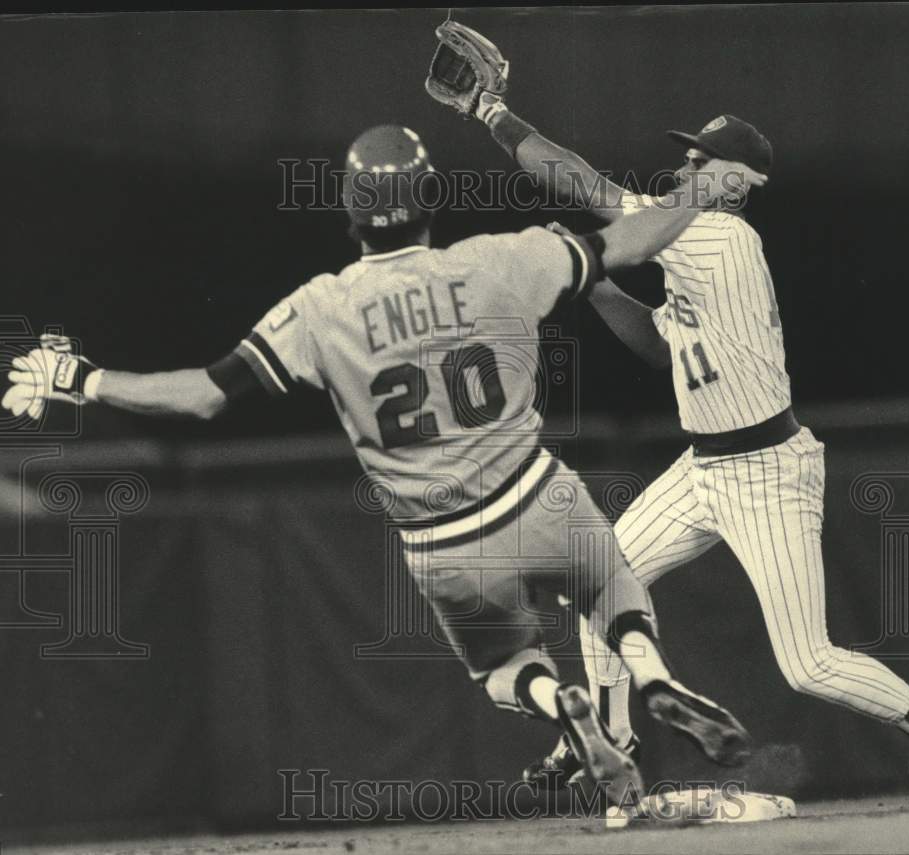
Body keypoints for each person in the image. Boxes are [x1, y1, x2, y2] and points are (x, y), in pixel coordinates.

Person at [3, 124, 765, 808]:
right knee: (612, 586)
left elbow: (203, 395)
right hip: (537, 494)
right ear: (431, 198)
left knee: (502, 665)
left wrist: (84, 378)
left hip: (444, 540)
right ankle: (651, 671)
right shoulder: (499, 258)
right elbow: (631, 243)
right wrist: (700, 188)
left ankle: (552, 699)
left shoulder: (321, 305)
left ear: (350, 211)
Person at [456, 60, 909, 810]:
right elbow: (662, 347)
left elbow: (578, 182)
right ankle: (615, 737)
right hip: (705, 464)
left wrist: (492, 112)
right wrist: (601, 288)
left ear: (742, 182)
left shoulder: (722, 239)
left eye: (705, 161)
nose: (687, 166)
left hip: (765, 469)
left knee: (806, 662)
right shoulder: (693, 245)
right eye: (687, 156)